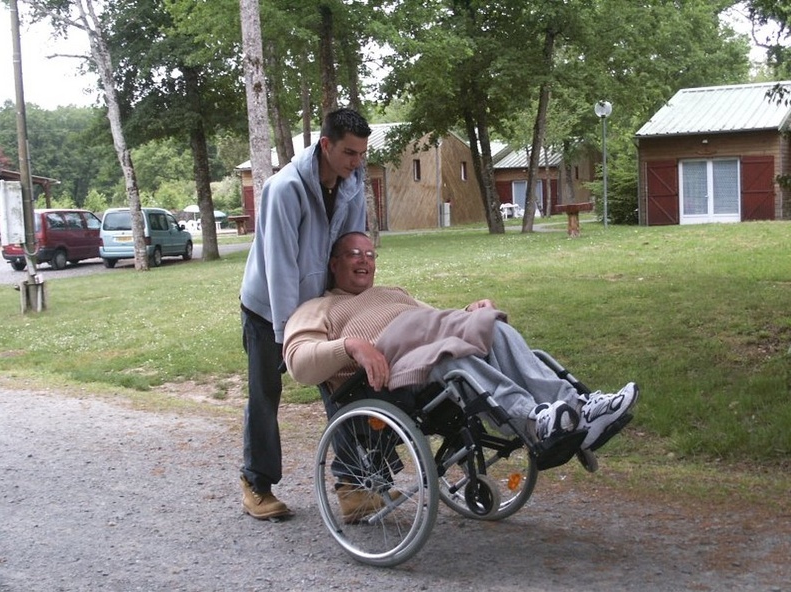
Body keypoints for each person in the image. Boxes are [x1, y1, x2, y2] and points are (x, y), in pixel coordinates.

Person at [283, 232, 639, 519]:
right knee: (448, 355)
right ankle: (532, 421)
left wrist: (470, 313)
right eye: (353, 254)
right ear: (333, 264)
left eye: (370, 254)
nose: (364, 260)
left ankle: (579, 409)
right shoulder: (319, 308)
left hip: (425, 349)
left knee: (491, 325)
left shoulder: (393, 294)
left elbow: (437, 319)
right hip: (391, 376)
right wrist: (351, 346)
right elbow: (299, 362)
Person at [238, 109, 372, 520]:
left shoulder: (352, 183)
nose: (356, 162)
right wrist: (285, 336)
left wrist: (350, 305)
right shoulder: (284, 189)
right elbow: (279, 266)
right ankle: (256, 485)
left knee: (342, 387)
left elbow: (350, 245)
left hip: (319, 306)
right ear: (325, 145)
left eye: (362, 154)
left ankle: (351, 486)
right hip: (268, 310)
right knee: (265, 396)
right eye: (349, 152)